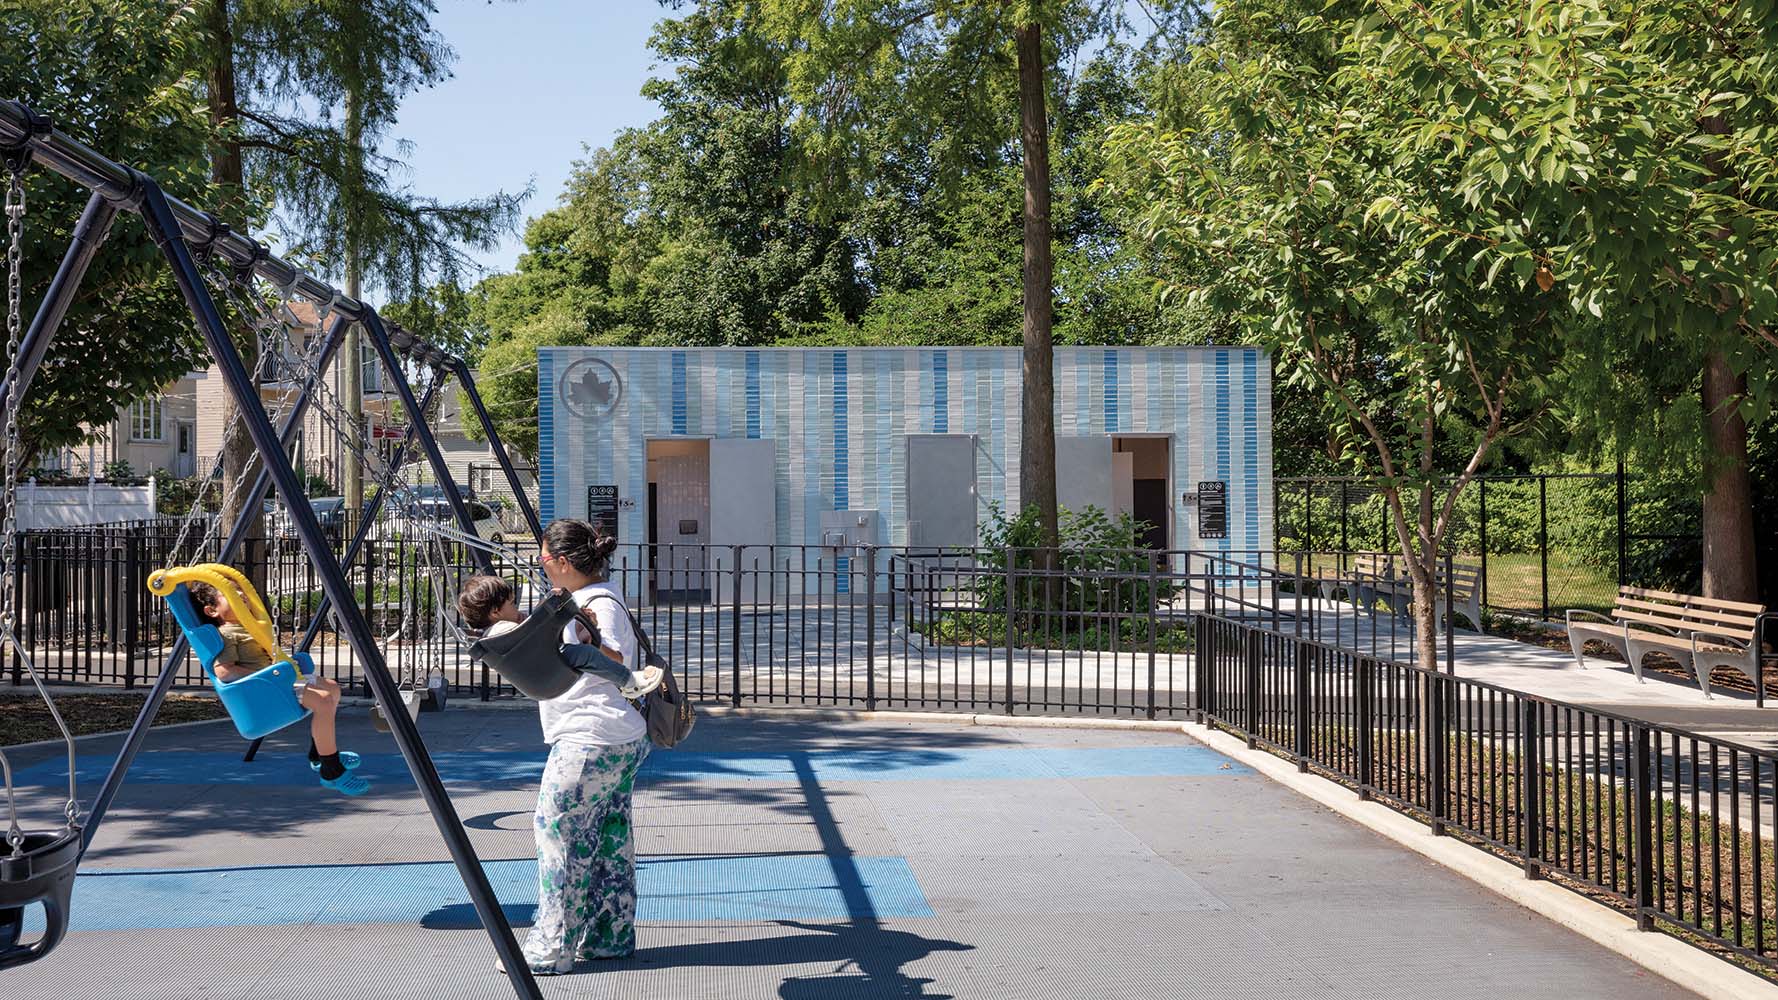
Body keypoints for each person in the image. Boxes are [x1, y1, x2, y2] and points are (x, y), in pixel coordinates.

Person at [506, 518, 650, 975]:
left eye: (545, 559)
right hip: (617, 738)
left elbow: (612, 657)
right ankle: (609, 936)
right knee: (607, 839)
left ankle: (550, 948)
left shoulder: (592, 605)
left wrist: (584, 635)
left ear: (564, 562)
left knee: (558, 834)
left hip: (588, 739)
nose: (542, 567)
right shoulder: (599, 597)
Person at [188, 579, 370, 797]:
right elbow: (224, 671)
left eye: (241, 593)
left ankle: (319, 754)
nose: (242, 597)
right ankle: (332, 770)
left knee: (332, 688)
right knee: (322, 701)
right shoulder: (228, 634)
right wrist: (263, 677)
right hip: (268, 686)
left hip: (279, 678)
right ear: (212, 610)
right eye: (232, 595)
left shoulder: (250, 626)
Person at [454, 574, 660, 698]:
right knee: (584, 655)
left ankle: (626, 681)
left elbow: (533, 636)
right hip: (548, 674)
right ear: (495, 613)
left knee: (581, 651)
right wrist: (552, 608)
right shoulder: (500, 632)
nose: (516, 608)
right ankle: (629, 682)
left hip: (539, 676)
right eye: (511, 604)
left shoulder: (491, 637)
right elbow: (534, 632)